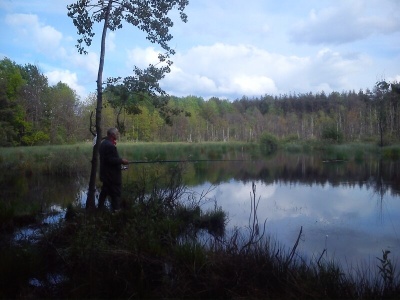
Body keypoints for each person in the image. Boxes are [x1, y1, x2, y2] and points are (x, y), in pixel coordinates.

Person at [98, 127, 129, 211]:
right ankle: (116, 212)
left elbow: (107, 162)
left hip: (106, 175)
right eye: (117, 133)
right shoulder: (110, 146)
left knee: (104, 193)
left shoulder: (103, 143)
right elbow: (110, 160)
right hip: (112, 177)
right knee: (115, 195)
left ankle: (99, 211)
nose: (118, 135)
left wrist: (121, 167)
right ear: (113, 135)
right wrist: (122, 160)